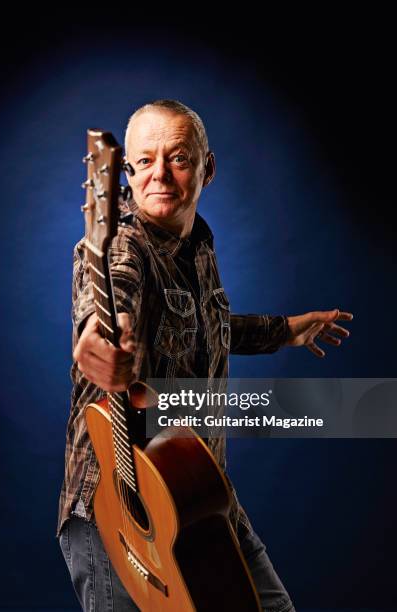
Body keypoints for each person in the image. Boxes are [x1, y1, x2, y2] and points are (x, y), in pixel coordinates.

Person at [56, 99, 353, 612]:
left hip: (197, 491)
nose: (159, 175)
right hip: (118, 506)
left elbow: (203, 327)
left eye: (178, 157)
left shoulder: (197, 245)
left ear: (207, 168)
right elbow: (103, 308)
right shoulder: (117, 246)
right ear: (124, 172)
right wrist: (98, 346)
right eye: (144, 161)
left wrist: (286, 331)